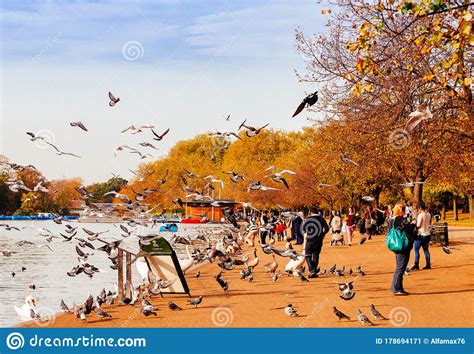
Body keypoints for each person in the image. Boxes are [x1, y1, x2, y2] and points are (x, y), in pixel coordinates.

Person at [388, 203, 415, 296]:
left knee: (399, 267)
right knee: (401, 268)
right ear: (401, 210)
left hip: (396, 245)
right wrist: (413, 224)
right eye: (404, 209)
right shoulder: (400, 219)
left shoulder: (391, 220)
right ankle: (397, 288)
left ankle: (396, 287)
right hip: (402, 246)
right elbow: (409, 229)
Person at [302, 208, 329, 278]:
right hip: (318, 240)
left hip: (310, 239)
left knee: (307, 255)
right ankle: (313, 270)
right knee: (316, 255)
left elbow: (304, 229)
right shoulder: (321, 219)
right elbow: (327, 228)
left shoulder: (308, 219)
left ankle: (312, 270)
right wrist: (322, 234)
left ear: (310, 212)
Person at [413, 202, 432, 270]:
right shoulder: (428, 214)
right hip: (427, 234)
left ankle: (416, 264)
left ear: (420, 208)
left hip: (421, 234)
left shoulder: (421, 215)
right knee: (426, 250)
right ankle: (428, 264)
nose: (418, 210)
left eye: (418, 208)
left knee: (416, 249)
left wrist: (414, 224)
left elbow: (418, 225)